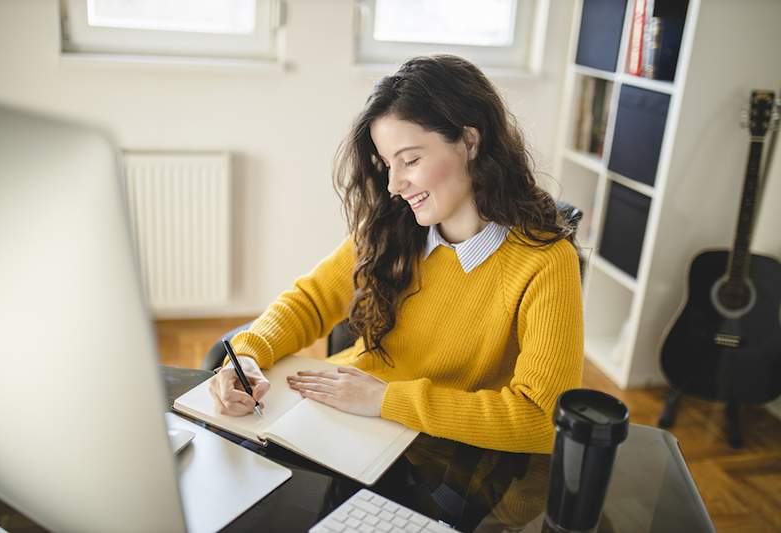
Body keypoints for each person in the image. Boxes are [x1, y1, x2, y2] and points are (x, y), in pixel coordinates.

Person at [209, 54, 583, 454]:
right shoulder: (391, 227)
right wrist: (248, 355)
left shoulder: (545, 262)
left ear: (470, 141)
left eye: (411, 160)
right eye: (388, 164)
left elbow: (542, 419)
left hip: (434, 456)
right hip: (342, 420)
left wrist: (385, 399)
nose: (394, 185)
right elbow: (310, 301)